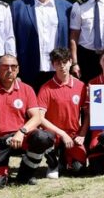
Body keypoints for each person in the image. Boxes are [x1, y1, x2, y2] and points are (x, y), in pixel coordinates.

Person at [0, 54, 52, 187]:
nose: (9, 70)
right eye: (5, 66)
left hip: (20, 138)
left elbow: (36, 117)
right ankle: (1, 171)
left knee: (42, 137)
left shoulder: (26, 89)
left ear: (18, 69)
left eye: (13, 67)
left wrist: (22, 131)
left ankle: (25, 175)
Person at [12, 0, 73, 91]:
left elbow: (72, 37)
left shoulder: (66, 7)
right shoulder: (18, 6)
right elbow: (11, 38)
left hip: (58, 67)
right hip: (28, 69)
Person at [36, 48, 89, 177]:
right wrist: (62, 134)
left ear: (70, 62)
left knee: (78, 171)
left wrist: (82, 134)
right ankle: (53, 163)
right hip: (53, 135)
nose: (62, 66)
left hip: (73, 134)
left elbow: (87, 114)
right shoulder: (45, 88)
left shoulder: (81, 86)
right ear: (53, 65)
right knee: (42, 137)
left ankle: (65, 158)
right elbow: (40, 118)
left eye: (65, 62)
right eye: (58, 63)